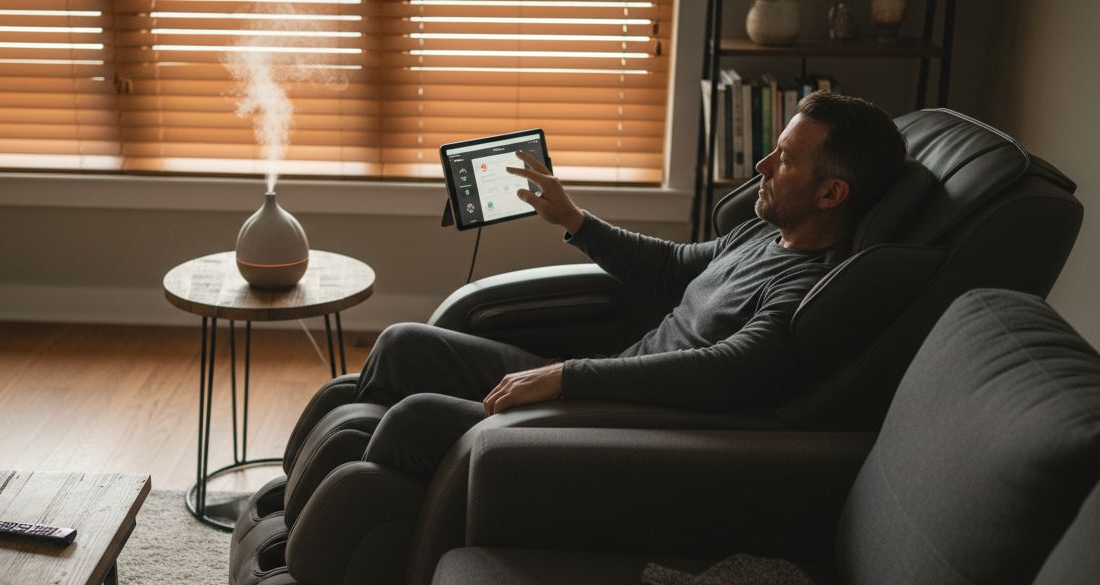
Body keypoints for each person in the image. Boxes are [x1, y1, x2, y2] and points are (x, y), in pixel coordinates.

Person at [343, 91, 907, 476]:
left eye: (784, 160)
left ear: (832, 193)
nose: (761, 166)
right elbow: (670, 266)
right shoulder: (763, 234)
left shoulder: (805, 290)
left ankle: (356, 532)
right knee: (401, 344)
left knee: (415, 418)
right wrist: (573, 219)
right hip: (601, 381)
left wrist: (565, 379)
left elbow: (726, 371)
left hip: (615, 419)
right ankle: (324, 482)